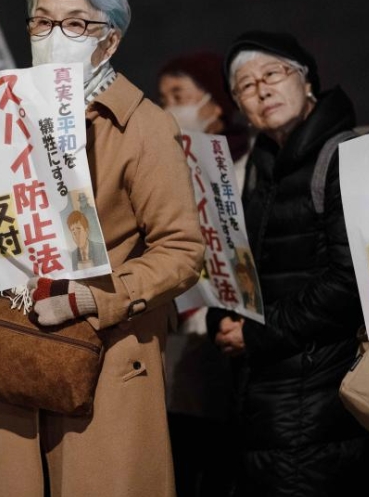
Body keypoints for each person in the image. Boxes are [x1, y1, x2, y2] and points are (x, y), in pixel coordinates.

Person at [0, 0, 204, 497]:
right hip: (18, 358)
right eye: (42, 21)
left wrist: (97, 299)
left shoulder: (142, 125)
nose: (55, 35)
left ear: (110, 39)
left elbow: (181, 250)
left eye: (76, 23)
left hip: (109, 358)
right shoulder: (10, 117)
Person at [215, 31, 369, 496]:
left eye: (272, 73)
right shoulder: (259, 166)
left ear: (306, 82)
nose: (262, 89)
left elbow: (350, 285)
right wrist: (223, 314)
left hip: (323, 396)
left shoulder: (345, 156)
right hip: (264, 400)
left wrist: (254, 333)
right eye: (245, 86)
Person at [155, 50, 248, 497]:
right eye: (163, 97)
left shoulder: (250, 163)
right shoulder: (167, 167)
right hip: (185, 338)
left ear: (216, 100)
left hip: (236, 334)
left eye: (179, 94)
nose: (170, 107)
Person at [158, 50, 252, 186]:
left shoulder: (249, 163)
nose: (167, 110)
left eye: (178, 98)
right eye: (163, 102)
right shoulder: (163, 163)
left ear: (216, 105)